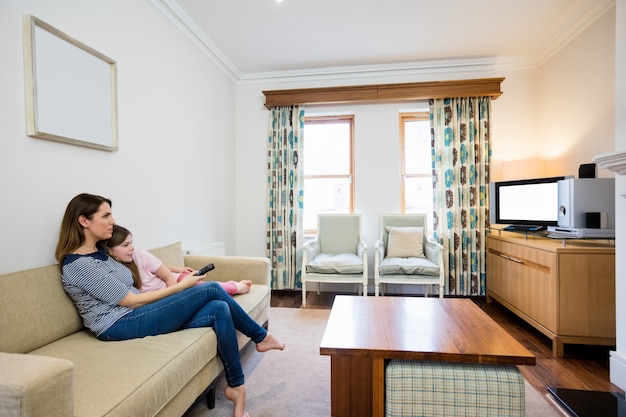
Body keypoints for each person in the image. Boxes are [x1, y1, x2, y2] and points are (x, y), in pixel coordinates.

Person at [55, 193, 284, 417]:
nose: (112, 221)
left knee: (219, 308)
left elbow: (140, 263)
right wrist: (180, 288)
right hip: (117, 324)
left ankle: (236, 387)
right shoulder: (78, 265)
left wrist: (175, 270)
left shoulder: (101, 254)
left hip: (134, 313)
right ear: (83, 221)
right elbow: (131, 300)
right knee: (211, 289)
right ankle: (260, 336)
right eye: (105, 216)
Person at [103, 224, 252, 295]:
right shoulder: (111, 270)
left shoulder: (139, 255)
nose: (132, 248)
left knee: (211, 288)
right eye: (126, 245)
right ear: (109, 251)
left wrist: (178, 275)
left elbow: (165, 274)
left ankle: (237, 286)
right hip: (165, 293)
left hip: (176, 281)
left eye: (131, 243)